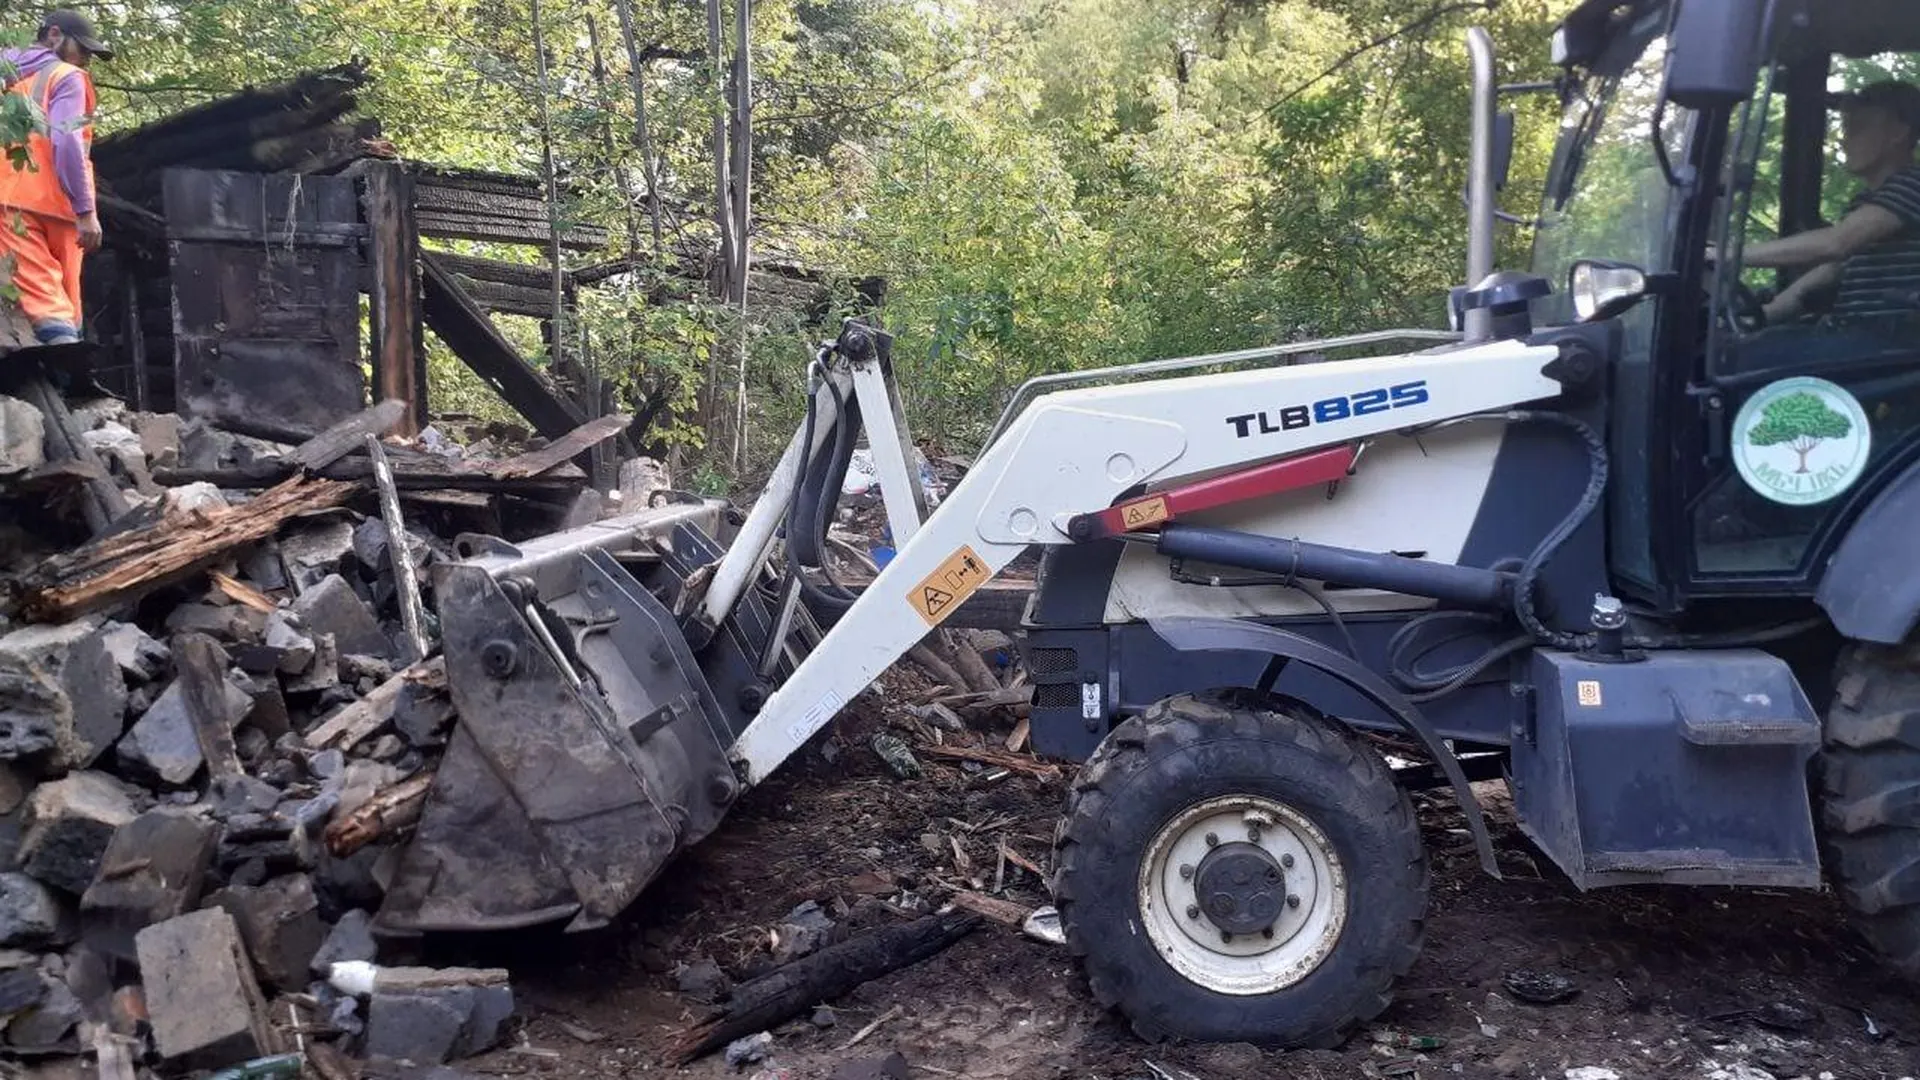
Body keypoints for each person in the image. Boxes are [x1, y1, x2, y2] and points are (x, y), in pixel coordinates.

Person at [1737, 80, 1920, 326]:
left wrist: (1731, 255)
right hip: (1859, 339)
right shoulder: (1866, 202)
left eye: (1857, 128)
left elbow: (1837, 243)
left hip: (1890, 345)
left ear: (1898, 133)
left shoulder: (1912, 185)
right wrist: (1764, 316)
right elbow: (1833, 269)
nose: (1845, 141)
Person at [0, 10, 112, 346]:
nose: (87, 60)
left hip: (15, 199)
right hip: (61, 205)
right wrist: (85, 211)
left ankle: (62, 386)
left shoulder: (10, 82)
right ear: (53, 35)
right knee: (62, 301)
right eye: (84, 50)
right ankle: (67, 386)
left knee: (45, 299)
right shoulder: (68, 77)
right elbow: (67, 141)